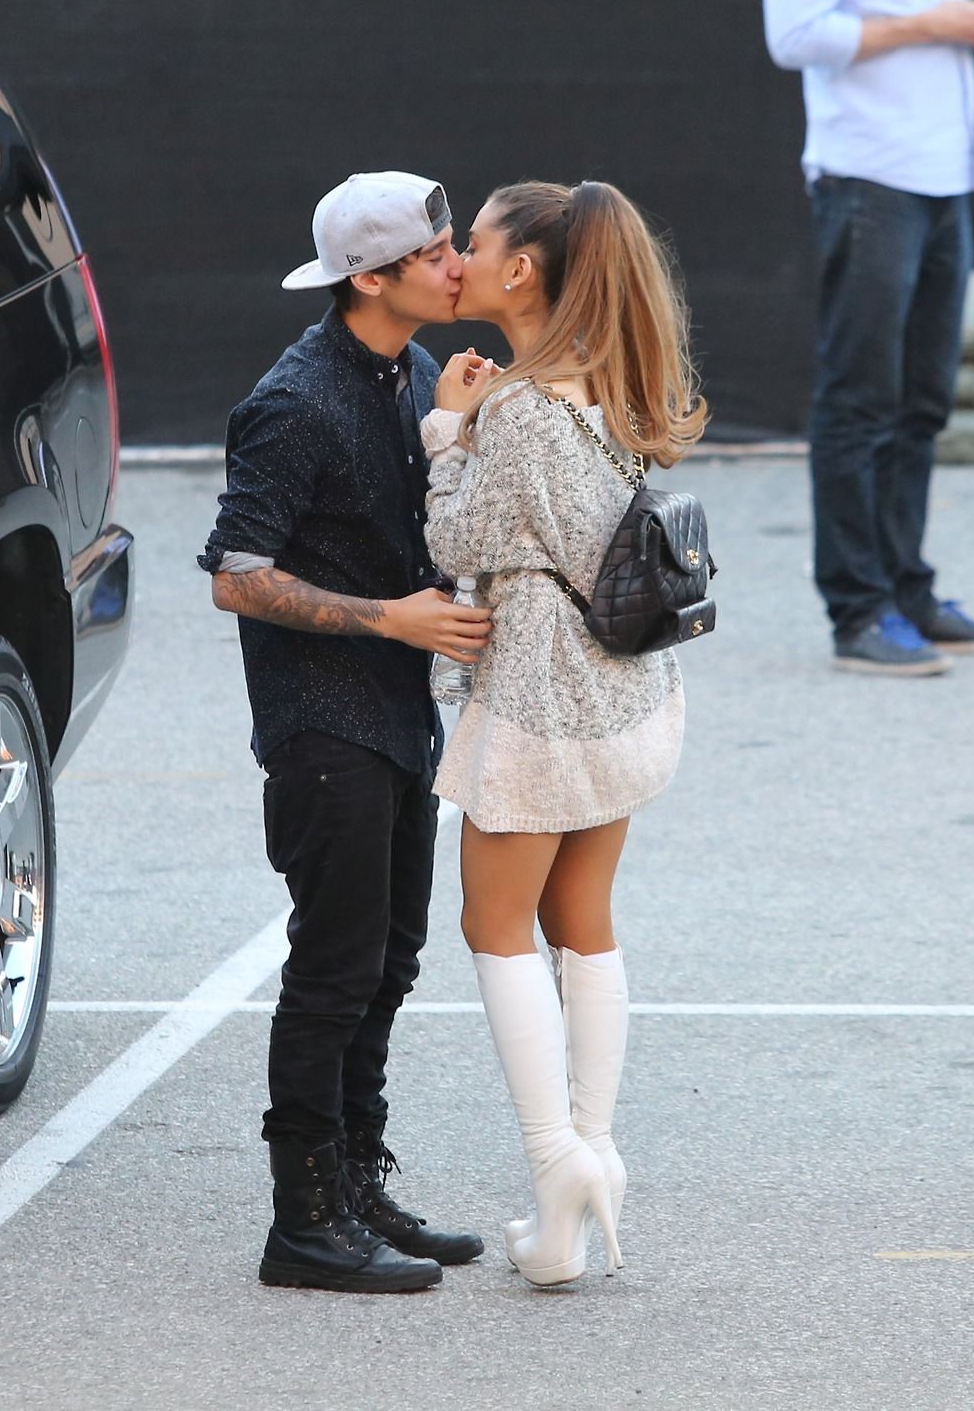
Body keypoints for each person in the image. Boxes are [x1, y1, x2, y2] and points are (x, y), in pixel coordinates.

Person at [198, 171, 492, 1293]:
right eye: (436, 253)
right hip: (323, 722)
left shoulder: (409, 365)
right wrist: (390, 617)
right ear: (371, 279)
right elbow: (236, 576)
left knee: (391, 959)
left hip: (395, 710)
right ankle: (303, 1221)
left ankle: (357, 1185)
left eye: (452, 241)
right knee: (332, 969)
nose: (456, 263)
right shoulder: (292, 401)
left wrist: (453, 421)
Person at [420, 181, 705, 1287]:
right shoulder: (607, 385)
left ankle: (557, 1165)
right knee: (578, 916)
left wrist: (447, 429)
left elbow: (461, 535)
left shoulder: (522, 409)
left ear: (524, 270)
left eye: (478, 243)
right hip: (622, 690)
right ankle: (593, 1156)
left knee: (491, 924)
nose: (462, 260)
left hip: (542, 700)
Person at [762, 0, 974, 676]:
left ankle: (907, 595)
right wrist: (934, 24)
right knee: (858, 399)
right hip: (869, 174)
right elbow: (794, 37)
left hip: (946, 175)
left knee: (922, 399)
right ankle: (859, 612)